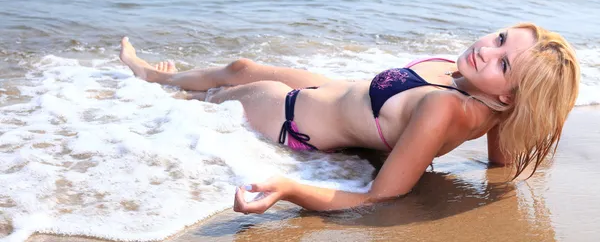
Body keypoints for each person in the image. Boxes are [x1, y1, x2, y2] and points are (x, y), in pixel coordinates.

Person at [119, 23, 580, 215]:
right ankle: (156, 77)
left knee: (220, 96)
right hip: (337, 92)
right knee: (241, 65)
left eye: (503, 64)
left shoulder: (445, 107)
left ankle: (151, 92)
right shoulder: (495, 101)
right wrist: (502, 168)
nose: (487, 51)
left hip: (296, 118)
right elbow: (500, 158)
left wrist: (291, 189)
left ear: (513, 94)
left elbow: (380, 196)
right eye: (500, 39)